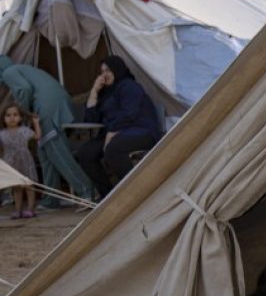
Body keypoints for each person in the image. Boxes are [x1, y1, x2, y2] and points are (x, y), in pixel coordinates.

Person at [0, 55, 94, 203]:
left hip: (47, 108)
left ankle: (87, 192)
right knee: (45, 153)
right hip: (56, 103)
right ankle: (51, 199)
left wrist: (23, 115)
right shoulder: (24, 69)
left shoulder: (8, 72)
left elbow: (24, 90)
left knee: (57, 152)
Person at [74, 56, 162, 198]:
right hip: (115, 133)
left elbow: (129, 114)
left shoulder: (129, 86)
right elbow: (90, 119)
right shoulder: (105, 93)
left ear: (117, 69)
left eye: (108, 70)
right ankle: (107, 195)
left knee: (113, 149)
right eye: (102, 71)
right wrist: (94, 92)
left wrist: (111, 132)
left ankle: (136, 193)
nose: (104, 74)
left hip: (140, 131)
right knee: (85, 152)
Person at [0, 103, 41, 218]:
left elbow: (37, 136)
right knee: (17, 188)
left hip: (25, 162)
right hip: (12, 164)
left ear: (20, 117)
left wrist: (36, 123)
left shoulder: (24, 130)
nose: (12, 118)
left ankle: (30, 209)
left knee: (28, 186)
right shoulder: (2, 134)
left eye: (15, 115)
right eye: (8, 115)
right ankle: (18, 210)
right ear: (3, 118)